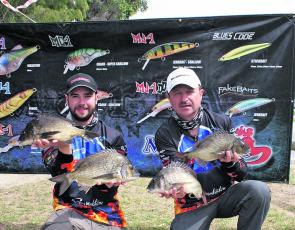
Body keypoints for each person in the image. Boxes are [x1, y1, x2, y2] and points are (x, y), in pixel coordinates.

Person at [154, 68, 271, 230]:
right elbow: (173, 170)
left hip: (225, 196)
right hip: (191, 203)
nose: (184, 98)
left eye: (189, 91)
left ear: (200, 93)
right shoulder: (164, 133)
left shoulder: (222, 122)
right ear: (169, 98)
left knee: (258, 191)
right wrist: (175, 188)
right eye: (177, 93)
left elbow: (243, 174)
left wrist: (231, 163)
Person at [34, 73, 128, 229]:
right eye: (75, 96)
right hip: (68, 209)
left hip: (106, 214)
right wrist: (64, 146)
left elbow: (113, 183)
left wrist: (111, 183)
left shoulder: (114, 136)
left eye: (88, 96)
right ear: (67, 99)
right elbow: (57, 173)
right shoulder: (53, 131)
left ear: (96, 98)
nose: (82, 102)